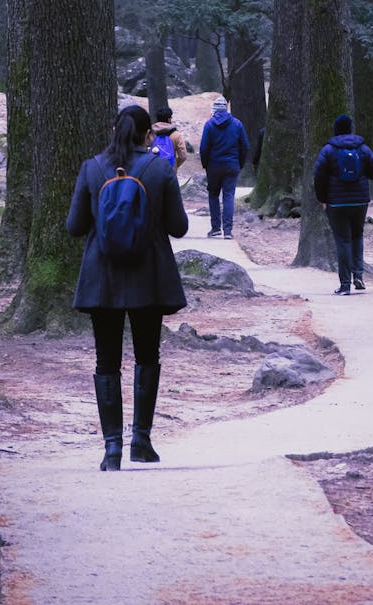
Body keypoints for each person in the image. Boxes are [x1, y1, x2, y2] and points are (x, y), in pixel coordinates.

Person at [66, 104, 188, 471]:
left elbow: (74, 226)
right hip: (148, 279)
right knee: (147, 357)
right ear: (146, 133)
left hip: (102, 279)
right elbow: (179, 226)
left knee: (107, 360)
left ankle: (111, 448)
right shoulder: (159, 168)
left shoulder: (92, 168)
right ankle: (142, 440)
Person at [313, 113, 373, 296]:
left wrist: (323, 199)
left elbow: (318, 175)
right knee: (357, 236)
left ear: (335, 130)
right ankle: (358, 275)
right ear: (350, 129)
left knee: (343, 240)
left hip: (336, 203)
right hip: (360, 201)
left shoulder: (328, 150)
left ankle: (345, 284)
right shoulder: (363, 148)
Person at [199, 95, 249, 240]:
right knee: (229, 196)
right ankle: (227, 231)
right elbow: (244, 146)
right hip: (232, 164)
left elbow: (204, 148)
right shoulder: (237, 124)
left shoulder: (209, 125)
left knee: (213, 194)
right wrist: (239, 163)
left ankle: (215, 228)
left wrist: (205, 164)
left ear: (214, 109)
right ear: (226, 109)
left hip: (214, 165)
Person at [151, 106, 188, 172]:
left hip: (154, 170)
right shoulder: (176, 135)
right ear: (169, 119)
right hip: (170, 171)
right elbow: (183, 156)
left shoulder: (151, 134)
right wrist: (175, 165)